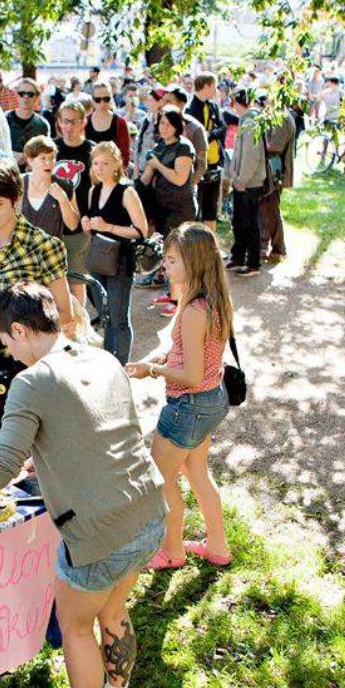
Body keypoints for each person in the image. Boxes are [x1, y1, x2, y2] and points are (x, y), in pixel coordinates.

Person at [0, 282, 165, 688]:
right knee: (113, 609)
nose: (10, 356)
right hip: (149, 512)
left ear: (19, 331)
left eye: (8, 345)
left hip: (97, 531)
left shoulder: (31, 381)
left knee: (75, 624)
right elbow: (102, 432)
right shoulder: (101, 356)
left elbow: (0, 468)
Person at [126, 224, 232, 571]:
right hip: (211, 400)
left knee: (161, 480)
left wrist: (150, 370)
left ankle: (172, 552)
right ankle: (217, 546)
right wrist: (163, 358)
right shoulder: (211, 300)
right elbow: (193, 352)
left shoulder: (193, 311)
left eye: (171, 260)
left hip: (189, 406)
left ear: (193, 263)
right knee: (197, 473)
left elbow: (190, 375)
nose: (164, 266)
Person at [0, 158, 74, 446]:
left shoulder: (44, 246)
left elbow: (65, 313)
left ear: (15, 199)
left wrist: (20, 327)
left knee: (32, 467)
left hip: (32, 372)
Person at [83, 142, 149, 363]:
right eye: (95, 163)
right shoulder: (94, 191)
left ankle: (120, 365)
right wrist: (89, 226)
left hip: (120, 261)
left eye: (105, 163)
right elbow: (95, 230)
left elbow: (141, 231)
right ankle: (109, 362)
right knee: (105, 316)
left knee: (119, 318)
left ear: (117, 164)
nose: (99, 168)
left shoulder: (126, 191)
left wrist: (108, 227)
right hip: (99, 261)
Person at [142, 106, 198, 313]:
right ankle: (173, 293)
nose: (163, 127)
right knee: (168, 254)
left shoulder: (184, 147)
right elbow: (147, 177)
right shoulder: (160, 145)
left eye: (168, 123)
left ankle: (179, 300)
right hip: (162, 208)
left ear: (177, 126)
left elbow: (179, 178)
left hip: (180, 209)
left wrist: (157, 165)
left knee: (179, 255)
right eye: (161, 123)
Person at [54, 99, 95, 305]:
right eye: (64, 121)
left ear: (83, 122)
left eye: (73, 122)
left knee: (77, 281)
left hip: (81, 227)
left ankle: (81, 328)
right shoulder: (51, 149)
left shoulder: (91, 151)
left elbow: (100, 188)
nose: (68, 127)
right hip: (53, 225)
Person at [224, 90, 267, 276]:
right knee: (239, 221)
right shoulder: (245, 122)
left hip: (249, 183)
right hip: (241, 180)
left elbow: (251, 157)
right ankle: (238, 256)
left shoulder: (251, 123)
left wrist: (241, 179)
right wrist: (234, 174)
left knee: (249, 223)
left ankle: (253, 262)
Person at [186, 72, 227, 232]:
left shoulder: (213, 106)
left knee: (212, 206)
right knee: (197, 206)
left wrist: (209, 134)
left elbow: (222, 127)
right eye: (214, 86)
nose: (216, 90)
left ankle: (212, 242)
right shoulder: (190, 109)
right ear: (207, 86)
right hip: (199, 164)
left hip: (215, 161)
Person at [21, 136, 80, 240]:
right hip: (21, 252)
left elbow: (73, 226)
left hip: (51, 253)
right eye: (43, 158)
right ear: (30, 160)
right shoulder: (17, 184)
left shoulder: (65, 185)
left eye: (52, 158)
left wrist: (63, 200)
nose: (48, 163)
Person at [259, 98, 295, 262]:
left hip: (275, 172)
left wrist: (261, 135)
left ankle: (279, 248)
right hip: (272, 170)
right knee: (267, 208)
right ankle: (266, 245)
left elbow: (274, 146)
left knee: (270, 209)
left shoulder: (281, 116)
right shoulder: (278, 115)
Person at [84, 81, 132, 171]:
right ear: (92, 99)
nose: (102, 103)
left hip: (113, 173)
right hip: (89, 174)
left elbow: (125, 153)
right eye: (98, 100)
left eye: (106, 99)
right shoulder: (85, 122)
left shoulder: (120, 122)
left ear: (111, 98)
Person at [7, 78, 50, 170]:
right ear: (17, 95)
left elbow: (46, 152)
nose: (25, 97)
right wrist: (12, 154)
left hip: (32, 174)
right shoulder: (4, 120)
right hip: (7, 172)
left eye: (30, 94)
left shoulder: (42, 125)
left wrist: (32, 160)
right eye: (21, 94)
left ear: (37, 97)